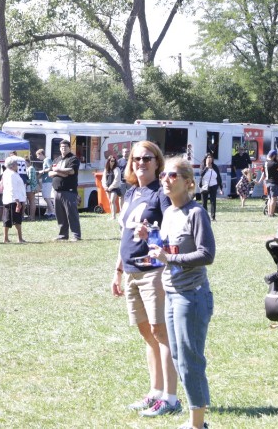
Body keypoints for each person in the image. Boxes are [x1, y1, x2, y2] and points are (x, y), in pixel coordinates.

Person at [111, 141, 180, 418]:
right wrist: (117, 270)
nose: (141, 162)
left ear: (157, 162)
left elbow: (173, 232)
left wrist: (151, 233)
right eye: (136, 158)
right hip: (130, 272)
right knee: (147, 335)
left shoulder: (160, 193)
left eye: (147, 158)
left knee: (161, 333)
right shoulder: (130, 192)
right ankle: (154, 392)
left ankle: (170, 398)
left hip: (154, 272)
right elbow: (124, 236)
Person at [147, 156, 215, 429]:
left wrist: (169, 260)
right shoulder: (170, 214)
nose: (165, 179)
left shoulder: (196, 213)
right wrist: (147, 236)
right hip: (172, 293)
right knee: (177, 357)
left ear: (188, 182)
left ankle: (197, 424)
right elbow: (168, 248)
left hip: (192, 296)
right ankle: (195, 419)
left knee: (190, 360)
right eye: (164, 175)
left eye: (172, 175)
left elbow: (207, 254)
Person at [50, 139, 82, 241]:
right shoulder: (57, 159)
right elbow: (50, 173)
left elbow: (71, 171)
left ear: (69, 148)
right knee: (60, 215)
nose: (63, 149)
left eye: (65, 147)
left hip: (69, 191)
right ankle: (63, 235)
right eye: (62, 147)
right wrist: (60, 173)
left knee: (71, 214)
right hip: (57, 191)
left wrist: (56, 170)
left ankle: (76, 235)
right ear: (60, 148)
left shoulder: (73, 159)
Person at [0, 156, 26, 243]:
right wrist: (17, 201)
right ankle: (19, 238)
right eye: (16, 164)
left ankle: (6, 238)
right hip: (14, 200)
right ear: (12, 165)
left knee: (7, 219)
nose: (17, 166)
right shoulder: (11, 174)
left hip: (10, 199)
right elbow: (12, 188)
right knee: (16, 220)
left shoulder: (8, 173)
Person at [198, 154, 221, 221]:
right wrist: (207, 167)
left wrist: (220, 186)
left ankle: (213, 217)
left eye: (210, 157)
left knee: (213, 201)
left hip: (213, 185)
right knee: (204, 202)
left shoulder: (215, 167)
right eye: (208, 157)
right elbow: (201, 174)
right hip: (205, 186)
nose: (209, 158)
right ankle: (205, 217)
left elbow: (218, 176)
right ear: (205, 158)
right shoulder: (202, 166)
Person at [265, 150, 278, 217]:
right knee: (274, 199)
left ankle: (269, 212)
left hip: (267, 182)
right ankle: (271, 214)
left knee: (269, 198)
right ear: (274, 156)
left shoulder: (266, 163)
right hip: (274, 182)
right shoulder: (274, 164)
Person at [37, 148, 55, 219]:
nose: (37, 157)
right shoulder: (45, 161)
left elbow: (51, 168)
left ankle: (53, 213)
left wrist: (43, 171)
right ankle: (49, 212)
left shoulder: (47, 160)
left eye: (38, 156)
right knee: (45, 197)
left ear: (41, 154)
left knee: (46, 197)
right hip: (45, 180)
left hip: (48, 180)